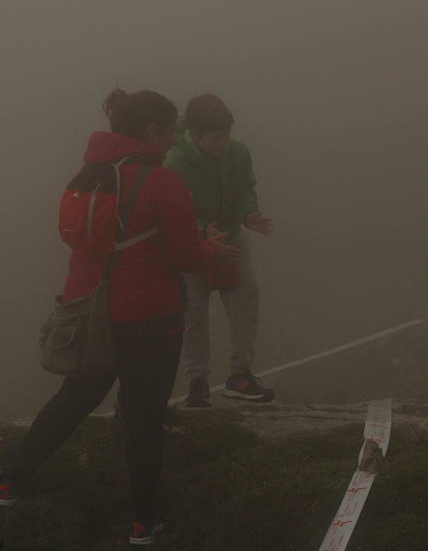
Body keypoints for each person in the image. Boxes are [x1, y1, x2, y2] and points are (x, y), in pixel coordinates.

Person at [0, 89, 238, 545]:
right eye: (173, 131)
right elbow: (186, 256)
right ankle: (143, 522)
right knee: (144, 418)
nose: (175, 141)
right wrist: (213, 249)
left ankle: (12, 482)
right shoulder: (161, 181)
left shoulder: (89, 172)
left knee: (73, 401)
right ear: (152, 131)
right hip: (149, 318)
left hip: (91, 312)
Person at [164, 94, 275, 407]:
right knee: (195, 314)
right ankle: (197, 381)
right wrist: (202, 230)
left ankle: (240, 375)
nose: (223, 142)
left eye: (227, 134)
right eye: (215, 137)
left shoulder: (238, 153)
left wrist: (248, 214)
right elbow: (174, 210)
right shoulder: (176, 162)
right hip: (195, 244)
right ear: (195, 135)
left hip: (232, 236)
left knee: (246, 302)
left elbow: (245, 190)